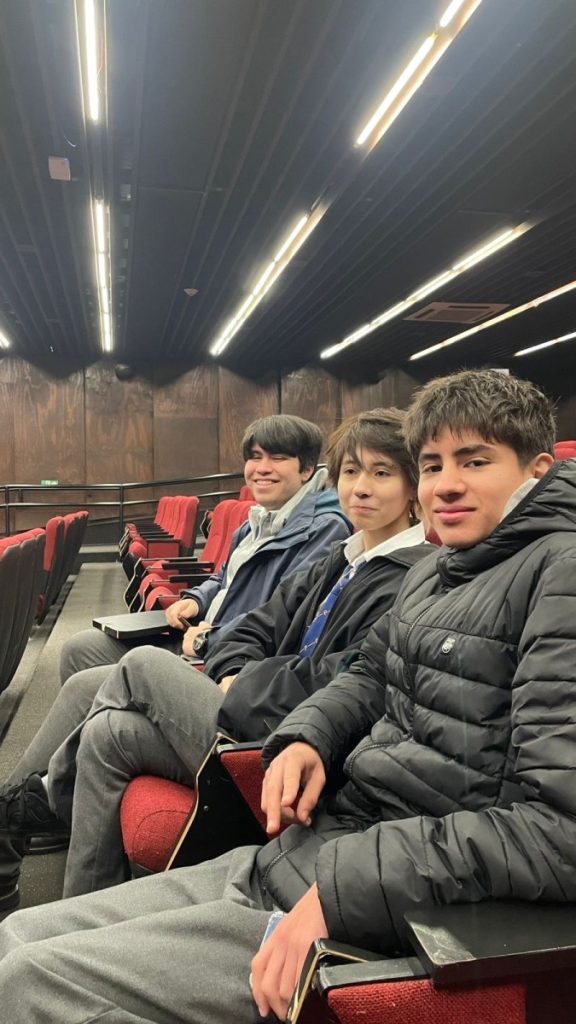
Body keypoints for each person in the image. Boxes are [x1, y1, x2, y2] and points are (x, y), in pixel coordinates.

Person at [1, 369, 575, 1024]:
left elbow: (560, 831)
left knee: (28, 984)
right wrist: (309, 735)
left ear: (535, 471)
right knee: (14, 937)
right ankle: (27, 810)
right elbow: (366, 674)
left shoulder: (559, 574)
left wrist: (348, 885)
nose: (445, 484)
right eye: (432, 464)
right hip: (311, 853)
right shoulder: (444, 571)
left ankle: (25, 809)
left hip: (385, 908)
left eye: (474, 462)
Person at [1, 409, 428, 901]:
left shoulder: (410, 577)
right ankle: (78, 901)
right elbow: (256, 623)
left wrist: (243, 679)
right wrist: (231, 666)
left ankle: (32, 803)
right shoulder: (346, 556)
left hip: (288, 746)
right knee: (108, 729)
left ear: (412, 487)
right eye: (351, 471)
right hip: (249, 705)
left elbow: (337, 681)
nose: (361, 488)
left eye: (381, 473)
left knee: (142, 664)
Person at [61, 413, 351, 680]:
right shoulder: (255, 522)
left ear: (306, 469)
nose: (262, 468)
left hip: (231, 657)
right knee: (81, 648)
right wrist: (197, 600)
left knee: (88, 686)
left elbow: (283, 617)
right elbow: (223, 578)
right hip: (200, 634)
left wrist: (207, 640)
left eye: (277, 458)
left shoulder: (324, 529)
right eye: (255, 457)